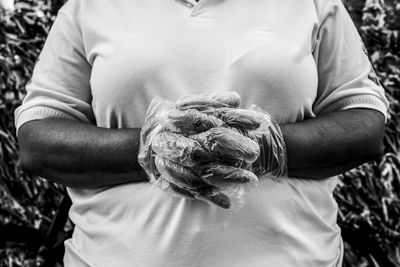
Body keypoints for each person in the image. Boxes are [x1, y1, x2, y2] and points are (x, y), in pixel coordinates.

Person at [15, 0, 389, 266]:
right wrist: (150, 149)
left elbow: (363, 124)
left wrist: (267, 146)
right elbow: (38, 139)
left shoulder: (314, 5)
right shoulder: (88, 8)